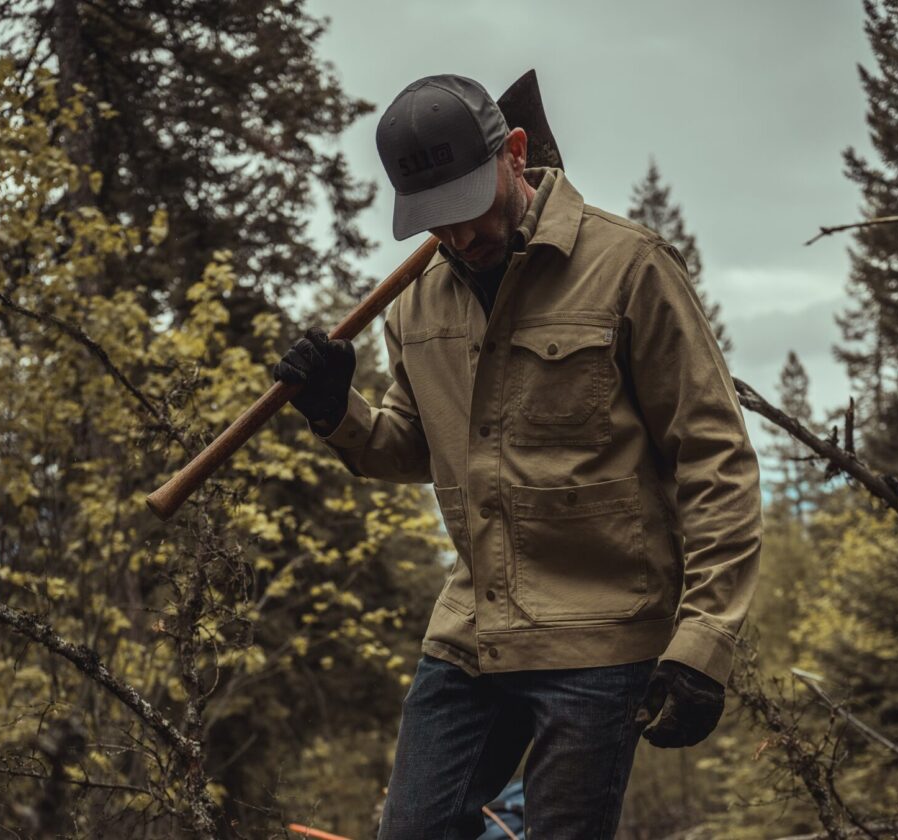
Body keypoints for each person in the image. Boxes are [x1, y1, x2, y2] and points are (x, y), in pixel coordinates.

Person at [273, 74, 762, 839]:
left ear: (516, 154)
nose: (458, 234)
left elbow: (715, 458)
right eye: (435, 217)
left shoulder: (629, 267)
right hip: (471, 632)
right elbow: (412, 446)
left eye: (467, 204)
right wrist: (339, 412)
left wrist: (704, 641)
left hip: (601, 638)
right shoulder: (417, 302)